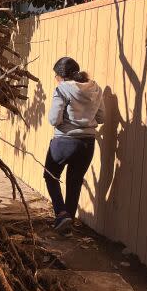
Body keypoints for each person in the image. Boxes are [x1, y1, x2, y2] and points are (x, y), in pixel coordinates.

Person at [44, 57, 104, 233]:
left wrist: (67, 125)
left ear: (61, 76)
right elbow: (102, 118)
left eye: (56, 76)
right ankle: (67, 227)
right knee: (74, 182)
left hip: (64, 141)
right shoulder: (96, 89)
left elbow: (54, 119)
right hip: (87, 144)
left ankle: (62, 215)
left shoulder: (62, 89)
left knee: (50, 175)